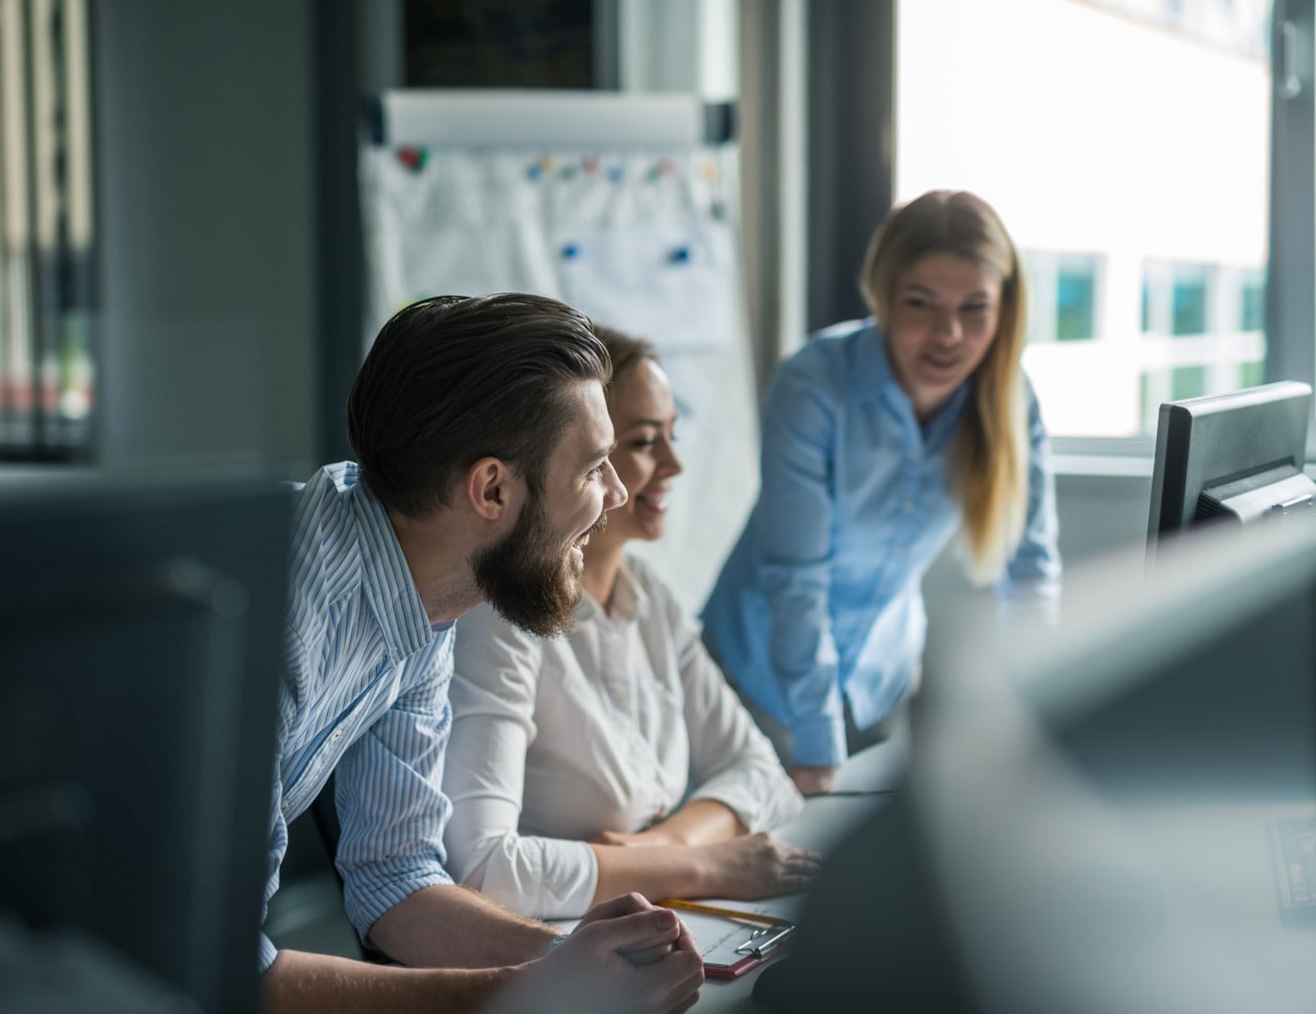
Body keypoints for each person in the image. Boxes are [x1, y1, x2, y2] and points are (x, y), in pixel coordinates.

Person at [261, 294, 705, 1014]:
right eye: (593, 467)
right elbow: (230, 971)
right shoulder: (282, 611)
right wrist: (537, 990)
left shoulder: (427, 595)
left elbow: (395, 879)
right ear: (492, 487)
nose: (619, 491)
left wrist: (571, 959)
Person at [441, 327, 817, 921]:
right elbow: (485, 873)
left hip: (653, 909)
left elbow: (760, 771)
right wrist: (706, 864)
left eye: (672, 434)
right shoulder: (500, 617)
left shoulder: (648, 599)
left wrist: (658, 849)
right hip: (552, 942)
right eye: (644, 442)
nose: (673, 464)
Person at [702, 189, 1061, 795]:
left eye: (975, 308)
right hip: (757, 681)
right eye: (921, 304)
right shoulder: (814, 383)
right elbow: (797, 577)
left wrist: (1043, 716)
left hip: (881, 679)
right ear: (883, 295)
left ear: (1004, 310)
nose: (948, 335)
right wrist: (818, 746)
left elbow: (1031, 572)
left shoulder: (1010, 399)